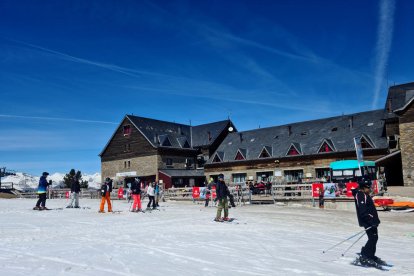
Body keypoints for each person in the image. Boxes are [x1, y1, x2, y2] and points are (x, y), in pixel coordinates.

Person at [352, 179, 384, 267]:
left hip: (372, 221)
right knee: (372, 238)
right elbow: (363, 212)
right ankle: (365, 256)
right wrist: (371, 221)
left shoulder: (365, 194)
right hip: (368, 221)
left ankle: (370, 255)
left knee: (374, 238)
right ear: (363, 187)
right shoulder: (361, 195)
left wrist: (375, 220)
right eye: (368, 187)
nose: (369, 189)